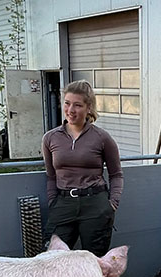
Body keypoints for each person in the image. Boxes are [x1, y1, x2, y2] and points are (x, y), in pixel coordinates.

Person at [41, 80, 124, 256]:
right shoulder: (50, 138)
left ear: (88, 108)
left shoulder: (102, 138)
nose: (71, 110)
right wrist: (53, 202)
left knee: (95, 262)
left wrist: (112, 204)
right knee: (52, 258)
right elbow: (50, 176)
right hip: (63, 204)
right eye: (67, 103)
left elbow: (116, 174)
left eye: (77, 105)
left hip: (95, 204)